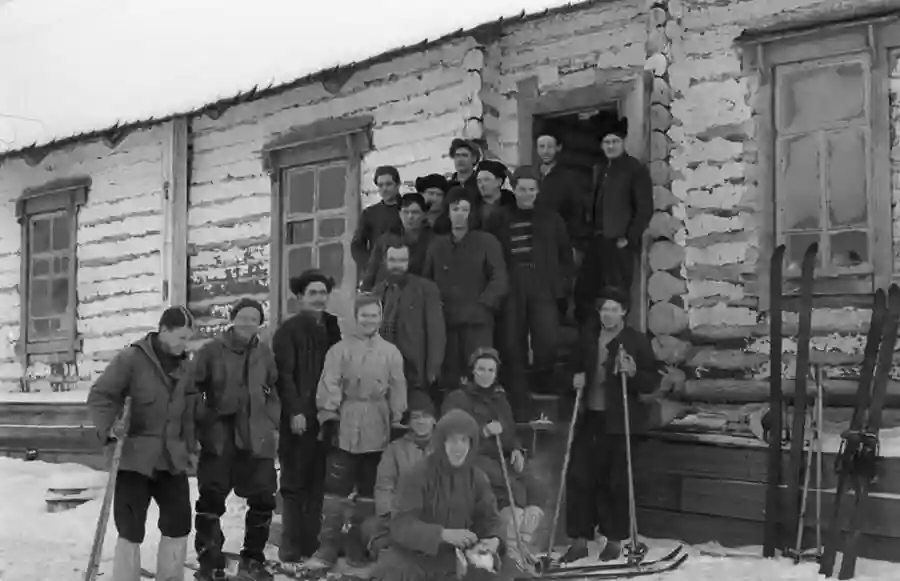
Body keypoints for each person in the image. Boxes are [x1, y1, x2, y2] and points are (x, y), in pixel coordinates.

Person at [86, 306, 196, 581]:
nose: (185, 344)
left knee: (179, 522)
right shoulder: (132, 359)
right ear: (164, 331)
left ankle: (170, 577)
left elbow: (191, 411)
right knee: (130, 527)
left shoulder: (186, 367)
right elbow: (102, 395)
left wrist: (192, 446)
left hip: (171, 458)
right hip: (135, 457)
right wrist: (111, 427)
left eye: (188, 338)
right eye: (181, 337)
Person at [307, 293, 408, 572]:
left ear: (380, 317)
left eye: (374, 315)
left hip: (378, 421)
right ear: (355, 317)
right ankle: (327, 545)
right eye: (364, 315)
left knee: (368, 489)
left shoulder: (390, 352)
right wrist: (328, 416)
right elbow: (330, 382)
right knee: (336, 488)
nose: (369, 320)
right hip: (347, 422)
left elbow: (398, 385)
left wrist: (398, 414)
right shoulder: (339, 350)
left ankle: (356, 542)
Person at [562, 287, 661, 563]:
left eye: (614, 309)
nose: (608, 314)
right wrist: (572, 380)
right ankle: (579, 540)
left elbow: (651, 381)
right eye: (604, 309)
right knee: (579, 477)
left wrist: (633, 372)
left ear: (624, 312)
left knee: (615, 482)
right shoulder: (587, 338)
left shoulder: (636, 341)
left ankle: (614, 540)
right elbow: (567, 371)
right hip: (589, 418)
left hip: (620, 422)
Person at [192, 298, 280, 581]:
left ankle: (253, 557)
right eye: (243, 317)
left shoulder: (265, 353)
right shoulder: (211, 351)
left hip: (256, 436)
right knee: (212, 499)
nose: (247, 323)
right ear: (233, 318)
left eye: (253, 318)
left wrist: (272, 421)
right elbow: (192, 389)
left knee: (264, 497)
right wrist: (206, 418)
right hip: (221, 436)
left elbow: (274, 390)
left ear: (259, 323)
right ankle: (210, 559)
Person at [441, 347, 546, 567]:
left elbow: (509, 429)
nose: (486, 374)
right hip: (473, 457)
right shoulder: (458, 398)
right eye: (481, 369)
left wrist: (516, 449)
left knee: (535, 488)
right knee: (510, 491)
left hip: (501, 456)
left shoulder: (500, 398)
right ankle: (510, 550)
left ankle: (523, 544)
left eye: (491, 370)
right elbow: (451, 429)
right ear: (473, 371)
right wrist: (483, 430)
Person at [372, 408, 505, 581]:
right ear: (441, 442)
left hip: (455, 562)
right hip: (412, 561)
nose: (459, 448)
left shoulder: (477, 478)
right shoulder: (417, 475)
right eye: (452, 440)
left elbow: (490, 520)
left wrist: (494, 540)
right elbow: (400, 526)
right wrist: (443, 534)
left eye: (464, 440)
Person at [272, 270, 343, 570]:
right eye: (312, 293)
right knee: (294, 482)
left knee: (317, 483)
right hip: (299, 418)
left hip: (324, 417)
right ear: (300, 297)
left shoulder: (331, 326)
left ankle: (311, 543)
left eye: (322, 292)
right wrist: (295, 411)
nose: (318, 298)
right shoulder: (288, 331)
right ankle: (290, 546)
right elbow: (284, 376)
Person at [500, 166, 574, 411]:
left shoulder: (551, 219)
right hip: (512, 284)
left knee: (546, 337)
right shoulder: (501, 218)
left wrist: (562, 284)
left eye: (532, 189)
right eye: (522, 189)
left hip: (544, 283)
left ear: (538, 190)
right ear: (514, 189)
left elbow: (565, 255)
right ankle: (518, 387)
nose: (526, 194)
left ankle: (544, 384)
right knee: (513, 338)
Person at [423, 187, 508, 389]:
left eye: (464, 209)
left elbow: (500, 278)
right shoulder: (437, 246)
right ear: (448, 212)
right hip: (446, 322)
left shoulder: (487, 242)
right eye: (455, 209)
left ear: (471, 213)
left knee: (480, 373)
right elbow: (426, 281)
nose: (459, 214)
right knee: (450, 376)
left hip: (477, 322)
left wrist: (483, 304)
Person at [573, 116, 653, 320]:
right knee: (586, 293)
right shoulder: (600, 170)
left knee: (616, 296)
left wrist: (629, 238)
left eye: (615, 141)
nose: (611, 146)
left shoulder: (634, 169)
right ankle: (592, 343)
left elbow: (644, 208)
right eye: (607, 142)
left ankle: (618, 346)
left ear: (623, 142)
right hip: (597, 241)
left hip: (618, 243)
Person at [361, 391, 437, 558]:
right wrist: (392, 515)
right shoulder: (395, 449)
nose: (421, 421)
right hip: (402, 516)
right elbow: (384, 486)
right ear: (409, 422)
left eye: (426, 416)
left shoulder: (445, 448)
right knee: (370, 527)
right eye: (416, 417)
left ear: (434, 420)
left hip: (437, 516)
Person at [371, 240, 446, 397]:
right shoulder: (378, 291)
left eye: (402, 260)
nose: (397, 265)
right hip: (382, 370)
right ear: (385, 261)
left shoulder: (425, 289)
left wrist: (432, 369)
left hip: (414, 369)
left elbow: (436, 332)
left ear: (409, 261)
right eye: (393, 260)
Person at [361, 193, 434, 291]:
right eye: (405, 212)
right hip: (388, 293)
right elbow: (372, 270)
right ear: (399, 214)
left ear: (424, 214)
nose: (410, 217)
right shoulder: (386, 240)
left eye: (415, 212)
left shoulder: (433, 240)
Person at [352, 165, 403, 277]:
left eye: (388, 184)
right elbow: (357, 245)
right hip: (380, 272)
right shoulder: (370, 213)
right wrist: (369, 265)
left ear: (398, 185)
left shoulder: (408, 210)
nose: (384, 189)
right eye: (380, 185)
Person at [434, 139, 481, 234]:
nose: (460, 160)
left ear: (474, 159)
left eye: (464, 155)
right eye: (457, 156)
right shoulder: (447, 186)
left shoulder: (480, 184)